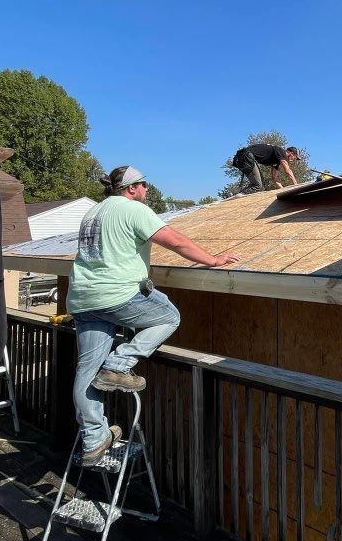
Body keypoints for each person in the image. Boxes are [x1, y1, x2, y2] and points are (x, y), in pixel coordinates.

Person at [66, 165, 242, 465]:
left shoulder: (93, 213)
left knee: (85, 371)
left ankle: (93, 440)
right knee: (168, 316)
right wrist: (213, 259)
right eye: (144, 184)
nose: (147, 190)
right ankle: (118, 365)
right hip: (117, 294)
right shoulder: (133, 209)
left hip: (83, 299)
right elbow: (175, 240)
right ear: (131, 188)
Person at [231, 144, 299, 194]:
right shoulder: (281, 152)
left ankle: (240, 195)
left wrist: (283, 190)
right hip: (246, 156)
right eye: (295, 158)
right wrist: (296, 186)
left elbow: (275, 179)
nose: (294, 160)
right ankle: (239, 195)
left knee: (259, 185)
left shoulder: (276, 161)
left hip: (242, 158)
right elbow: (288, 171)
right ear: (291, 153)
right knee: (257, 185)